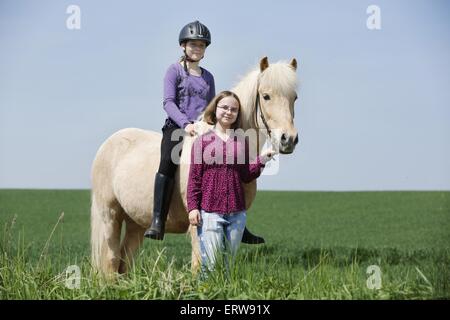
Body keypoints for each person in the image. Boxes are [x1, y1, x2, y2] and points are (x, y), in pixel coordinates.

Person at [144, 21, 265, 244]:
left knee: (231, 163)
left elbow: (212, 105)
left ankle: (239, 220)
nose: (197, 49)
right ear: (183, 46)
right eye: (193, 44)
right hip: (178, 127)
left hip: (204, 126)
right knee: (167, 162)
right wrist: (185, 124)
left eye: (201, 45)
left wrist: (209, 125)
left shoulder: (208, 76)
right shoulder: (174, 71)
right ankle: (158, 219)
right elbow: (168, 102)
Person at [186, 91, 275, 273]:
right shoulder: (202, 142)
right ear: (215, 109)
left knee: (228, 268)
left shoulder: (240, 143)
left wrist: (262, 160)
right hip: (210, 214)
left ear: (237, 115)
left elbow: (246, 175)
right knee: (210, 267)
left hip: (237, 215)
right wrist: (193, 207)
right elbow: (194, 178)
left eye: (233, 109)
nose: (229, 112)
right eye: (224, 107)